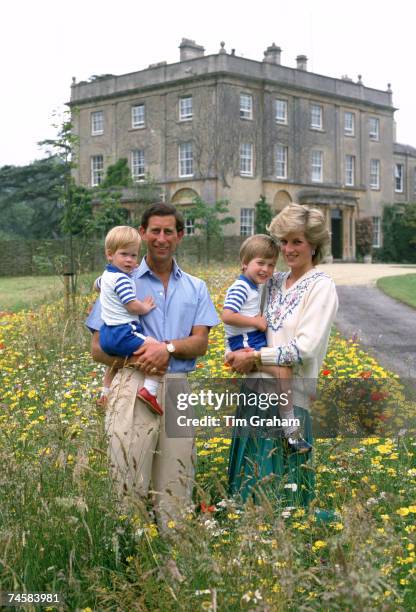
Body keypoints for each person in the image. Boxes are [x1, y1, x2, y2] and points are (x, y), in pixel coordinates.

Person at [86, 203, 219, 530]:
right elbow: (96, 347)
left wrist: (167, 348)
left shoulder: (196, 287)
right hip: (132, 383)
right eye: (154, 231)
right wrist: (140, 358)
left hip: (177, 388)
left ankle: (174, 564)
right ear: (143, 233)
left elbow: (200, 342)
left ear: (180, 236)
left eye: (168, 232)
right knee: (128, 481)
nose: (161, 238)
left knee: (177, 483)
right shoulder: (118, 279)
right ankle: (130, 563)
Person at [227, 203, 338, 508]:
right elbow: (243, 317)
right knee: (248, 492)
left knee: (282, 497)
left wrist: (255, 357)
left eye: (297, 241)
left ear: (313, 244)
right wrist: (235, 352)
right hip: (254, 394)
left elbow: (303, 350)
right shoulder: (272, 282)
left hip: (291, 399)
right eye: (284, 242)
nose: (288, 249)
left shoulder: (321, 287)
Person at [221, 234, 311, 453]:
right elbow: (227, 315)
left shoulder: (254, 286)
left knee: (282, 372)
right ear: (244, 263)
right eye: (260, 263)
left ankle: (288, 427)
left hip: (251, 342)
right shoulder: (241, 287)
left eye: (271, 265)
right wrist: (256, 322)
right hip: (246, 345)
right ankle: (290, 430)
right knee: (283, 372)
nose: (266, 269)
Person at [97, 225, 163, 415]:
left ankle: (105, 392)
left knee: (114, 363)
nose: (129, 260)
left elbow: (97, 285)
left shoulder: (106, 276)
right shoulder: (122, 280)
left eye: (134, 256)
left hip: (106, 334)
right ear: (110, 255)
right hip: (124, 331)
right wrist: (145, 307)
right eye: (124, 254)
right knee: (156, 348)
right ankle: (149, 390)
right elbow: (131, 305)